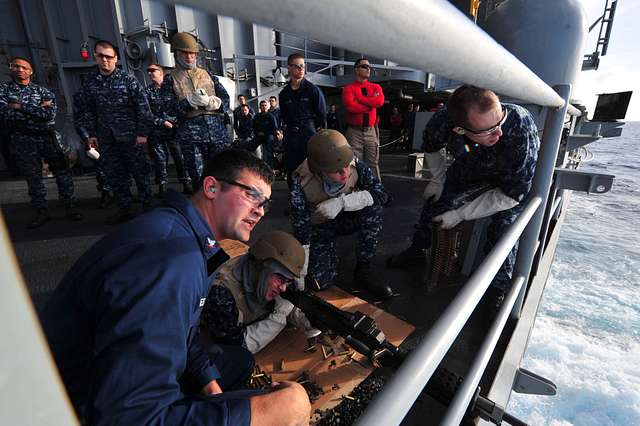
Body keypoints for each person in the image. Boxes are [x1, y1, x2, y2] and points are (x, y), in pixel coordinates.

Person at [42, 149, 310, 426]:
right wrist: (262, 414)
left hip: (95, 384)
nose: (260, 211)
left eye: (265, 202)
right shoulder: (171, 261)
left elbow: (184, 331)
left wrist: (208, 381)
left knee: (237, 362)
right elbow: (129, 416)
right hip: (76, 408)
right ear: (212, 187)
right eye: (251, 195)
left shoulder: (184, 237)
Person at [387, 85, 540, 310]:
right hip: (472, 164)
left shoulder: (519, 127)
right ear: (459, 129)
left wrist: (461, 214)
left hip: (510, 179)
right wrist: (437, 179)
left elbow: (512, 195)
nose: (499, 133)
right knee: (436, 206)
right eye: (488, 130)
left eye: (500, 122)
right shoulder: (444, 120)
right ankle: (418, 249)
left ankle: (499, 288)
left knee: (504, 229)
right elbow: (431, 146)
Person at [290, 129, 393, 299]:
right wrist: (301, 268)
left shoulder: (354, 163)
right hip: (321, 225)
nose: (345, 173)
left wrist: (343, 202)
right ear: (319, 170)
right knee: (321, 283)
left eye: (346, 166)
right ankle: (326, 260)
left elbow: (381, 194)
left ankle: (363, 269)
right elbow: (301, 228)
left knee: (374, 209)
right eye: (337, 171)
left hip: (350, 216)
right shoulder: (301, 182)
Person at [202, 230, 318, 354]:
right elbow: (235, 350)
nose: (283, 288)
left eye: (288, 281)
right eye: (280, 279)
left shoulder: (263, 276)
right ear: (260, 266)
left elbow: (287, 301)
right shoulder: (221, 295)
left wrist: (303, 318)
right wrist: (279, 317)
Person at [78, 40, 154, 224]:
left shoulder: (128, 80)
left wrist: (143, 134)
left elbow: (143, 108)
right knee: (115, 175)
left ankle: (148, 208)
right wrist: (89, 135)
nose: (105, 60)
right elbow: (85, 111)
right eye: (100, 56)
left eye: (108, 56)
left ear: (116, 58)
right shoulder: (89, 83)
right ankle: (124, 209)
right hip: (106, 138)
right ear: (95, 57)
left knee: (141, 173)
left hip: (131, 137)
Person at [0, 56, 81, 228]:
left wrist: (20, 107)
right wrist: (37, 109)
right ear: (11, 69)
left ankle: (70, 207)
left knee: (63, 174)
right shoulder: (4, 91)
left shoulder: (43, 91)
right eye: (15, 66)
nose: (19, 69)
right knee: (33, 178)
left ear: (30, 71)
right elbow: (6, 115)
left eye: (23, 67)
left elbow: (49, 115)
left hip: (47, 138)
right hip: (23, 140)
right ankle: (41, 211)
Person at [161, 32, 231, 191]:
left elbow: (226, 100)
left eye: (192, 53)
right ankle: (205, 212)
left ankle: (222, 209)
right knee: (199, 178)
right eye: (185, 53)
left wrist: (214, 103)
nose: (189, 57)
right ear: (176, 53)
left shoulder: (208, 74)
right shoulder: (170, 79)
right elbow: (167, 108)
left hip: (217, 133)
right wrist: (188, 103)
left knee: (222, 173)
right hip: (191, 138)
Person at [279, 53, 327, 187]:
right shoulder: (284, 94)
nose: (301, 69)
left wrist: (311, 127)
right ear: (289, 68)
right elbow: (284, 115)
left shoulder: (313, 90)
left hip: (309, 133)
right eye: (297, 66)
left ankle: (314, 200)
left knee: (313, 167)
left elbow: (322, 114)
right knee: (292, 169)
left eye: (303, 66)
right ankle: (295, 201)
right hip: (291, 136)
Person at [145, 63, 190, 196]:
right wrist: (162, 121)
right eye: (148, 71)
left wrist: (175, 121)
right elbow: (145, 112)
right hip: (157, 131)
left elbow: (182, 107)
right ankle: (162, 186)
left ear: (161, 72)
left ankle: (186, 183)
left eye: (153, 70)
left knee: (179, 158)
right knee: (160, 159)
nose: (150, 73)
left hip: (175, 131)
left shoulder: (173, 89)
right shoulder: (147, 92)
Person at [341, 58, 385, 181]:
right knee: (354, 163)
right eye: (364, 66)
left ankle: (377, 191)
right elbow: (350, 107)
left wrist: (359, 98)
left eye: (369, 67)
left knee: (373, 163)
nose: (368, 69)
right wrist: (371, 105)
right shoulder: (348, 88)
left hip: (371, 131)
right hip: (354, 132)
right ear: (356, 69)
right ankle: (356, 191)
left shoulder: (376, 87)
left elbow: (380, 101)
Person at [71, 90, 113, 209]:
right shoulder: (81, 95)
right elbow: (78, 120)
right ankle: (106, 194)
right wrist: (86, 138)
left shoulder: (110, 92)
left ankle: (125, 193)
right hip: (93, 139)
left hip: (113, 135)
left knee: (119, 166)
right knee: (101, 169)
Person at [252, 99, 279, 167]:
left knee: (269, 151)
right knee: (250, 146)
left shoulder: (271, 117)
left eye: (265, 105)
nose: (264, 107)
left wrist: (265, 133)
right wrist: (257, 133)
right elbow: (254, 127)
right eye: (262, 106)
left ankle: (270, 166)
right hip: (259, 136)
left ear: (267, 107)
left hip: (268, 136)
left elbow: (274, 129)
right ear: (259, 107)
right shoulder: (256, 116)